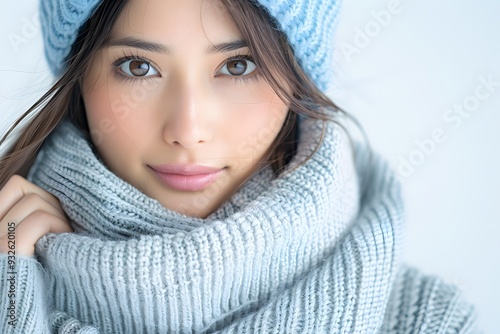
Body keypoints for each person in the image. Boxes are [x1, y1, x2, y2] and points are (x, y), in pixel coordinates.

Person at [0, 0, 481, 333]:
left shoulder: (426, 321)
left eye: (237, 66)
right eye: (138, 67)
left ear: (297, 80)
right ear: (79, 78)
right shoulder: (8, 262)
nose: (188, 130)